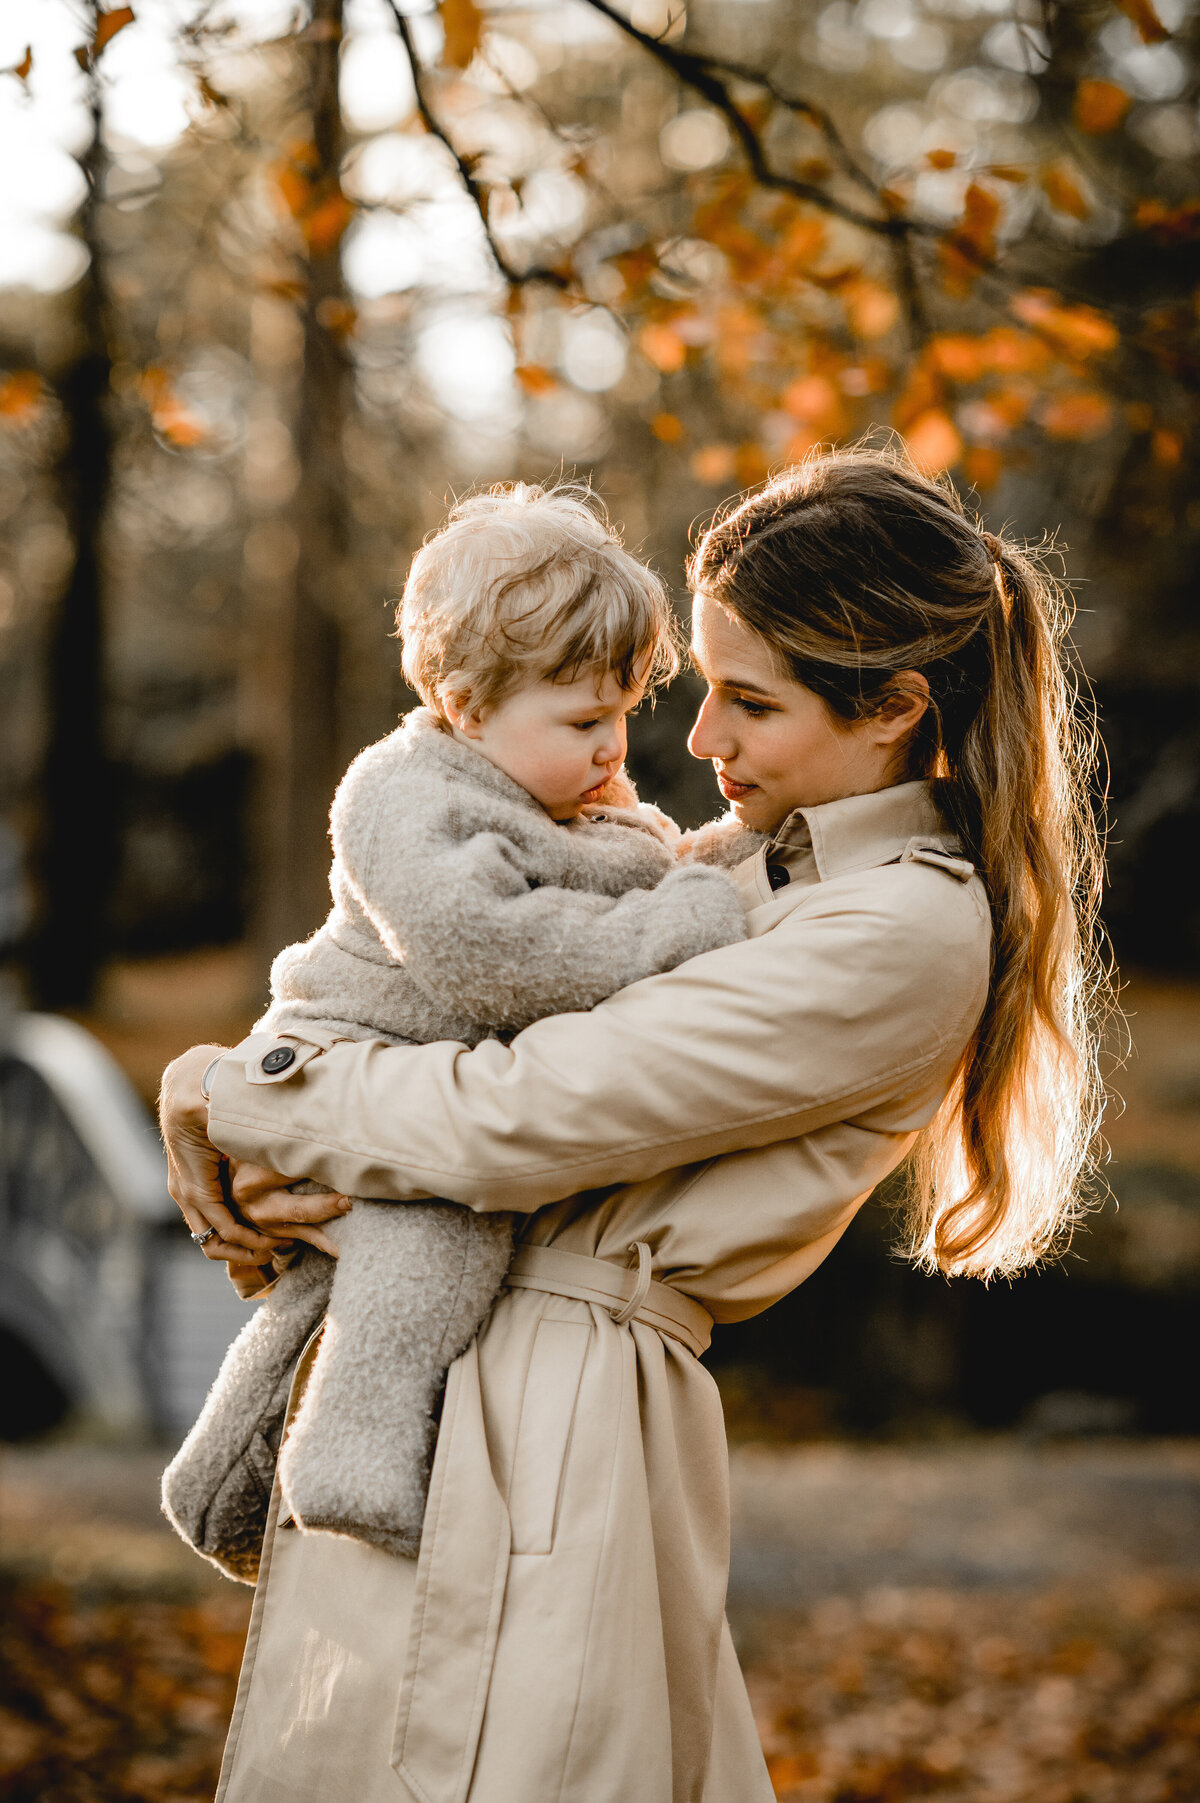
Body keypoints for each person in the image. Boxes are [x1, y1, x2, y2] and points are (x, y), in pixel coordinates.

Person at [160, 447, 1105, 1803]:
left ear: (895, 706)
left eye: (750, 701)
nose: (701, 738)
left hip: (552, 1413)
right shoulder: (746, 860)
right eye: (705, 688)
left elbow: (514, 1118)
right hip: (459, 1369)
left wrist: (234, 1088)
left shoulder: (898, 924)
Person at [160, 483, 746, 1584]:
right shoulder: (401, 794)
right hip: (347, 1048)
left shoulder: (541, 793)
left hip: (401, 1065)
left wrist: (680, 866)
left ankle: (218, 1486)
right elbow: (492, 953)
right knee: (439, 1240)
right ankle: (349, 1455)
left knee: (321, 1292)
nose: (612, 749)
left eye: (621, 717)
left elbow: (623, 865)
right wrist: (682, 917)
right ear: (468, 706)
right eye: (583, 724)